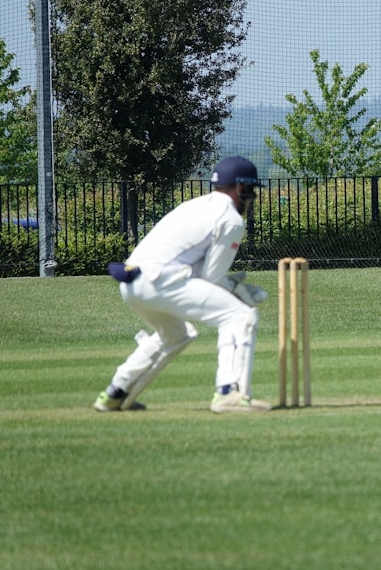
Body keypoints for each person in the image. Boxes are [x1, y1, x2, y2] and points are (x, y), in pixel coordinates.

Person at [93, 156, 273, 413]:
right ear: (240, 188)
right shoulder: (230, 219)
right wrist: (242, 292)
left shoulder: (196, 205)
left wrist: (233, 284)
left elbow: (199, 269)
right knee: (239, 316)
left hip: (132, 281)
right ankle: (228, 392)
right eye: (251, 190)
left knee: (176, 335)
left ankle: (115, 393)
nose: (251, 196)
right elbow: (212, 277)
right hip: (162, 280)